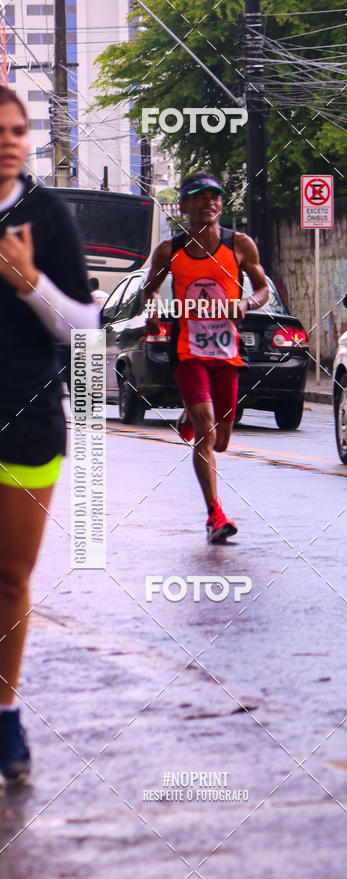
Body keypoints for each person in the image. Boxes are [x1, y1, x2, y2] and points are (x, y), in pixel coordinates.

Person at [0, 88, 97, 784]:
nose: (9, 140)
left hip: (27, 420)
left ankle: (4, 715)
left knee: (10, 578)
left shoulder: (47, 217)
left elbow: (87, 329)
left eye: (17, 129)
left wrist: (31, 283)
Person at [143, 171, 268, 543]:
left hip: (226, 352)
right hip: (188, 351)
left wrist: (246, 302)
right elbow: (150, 289)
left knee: (221, 440)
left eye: (214, 196)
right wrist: (152, 306)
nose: (208, 202)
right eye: (198, 197)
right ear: (184, 206)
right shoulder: (169, 250)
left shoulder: (240, 245)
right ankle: (215, 515)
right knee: (205, 429)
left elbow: (261, 288)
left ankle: (192, 419)